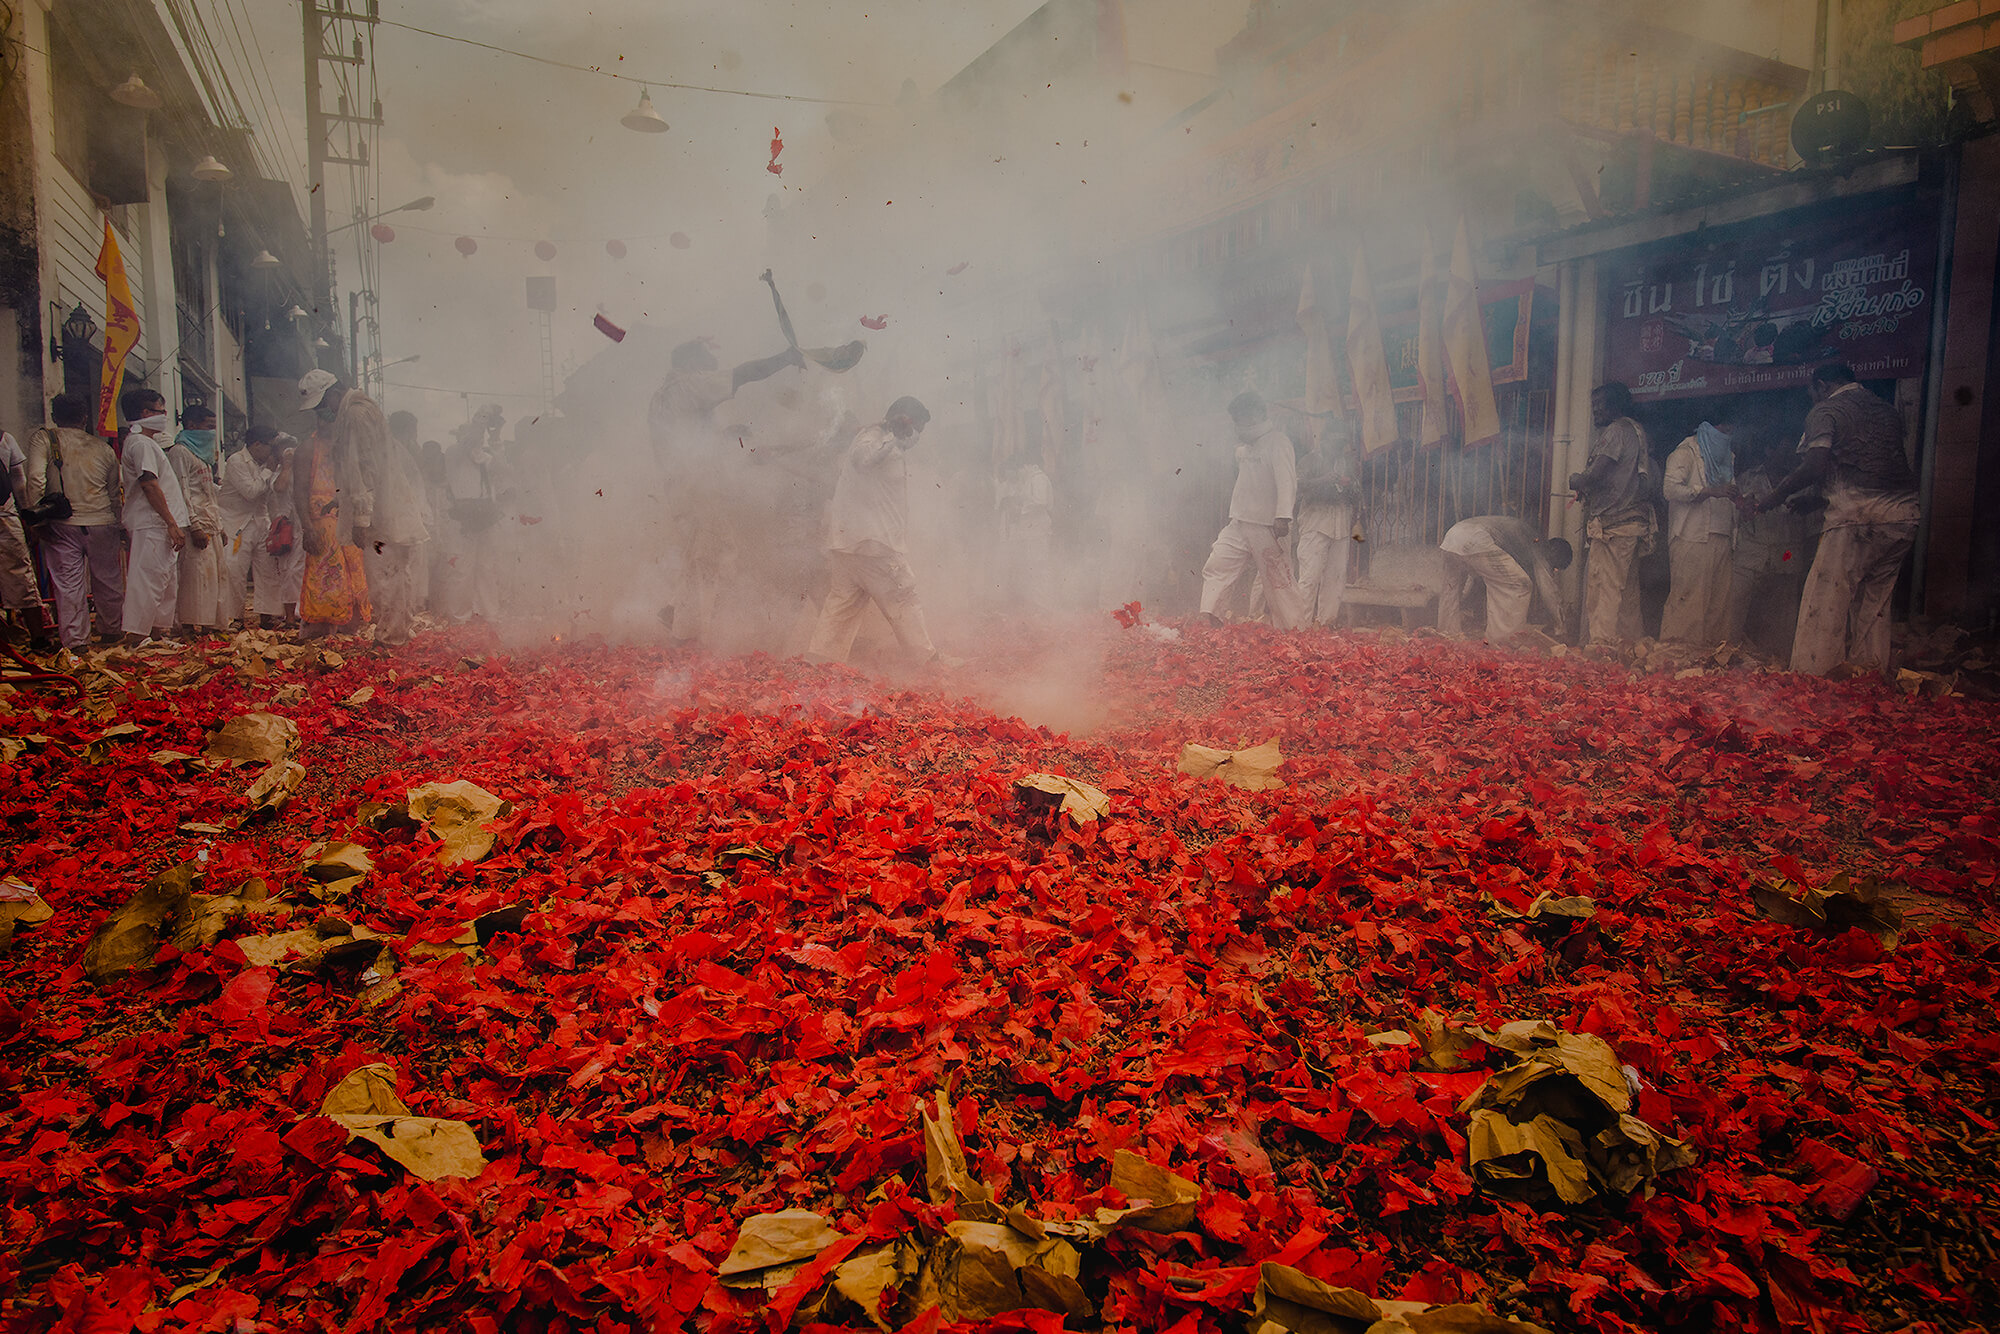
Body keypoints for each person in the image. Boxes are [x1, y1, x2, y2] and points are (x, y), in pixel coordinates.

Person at [1754, 363, 1919, 675]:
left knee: (1826, 597)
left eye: (1812, 392)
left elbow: (1816, 466)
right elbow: (1870, 468)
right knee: (1875, 605)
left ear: (1822, 384)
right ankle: (1869, 677)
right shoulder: (1887, 412)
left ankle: (1812, 680)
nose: (1812, 398)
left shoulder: (1827, 410)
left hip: (1854, 518)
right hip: (1903, 517)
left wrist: (1772, 498)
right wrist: (1816, 500)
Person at [649, 338, 804, 639]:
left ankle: (674, 610)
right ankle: (685, 630)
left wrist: (725, 435)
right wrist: (784, 358)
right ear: (691, 363)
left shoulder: (662, 396)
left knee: (701, 547)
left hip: (680, 484)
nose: (711, 365)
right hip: (696, 484)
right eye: (706, 360)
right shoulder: (689, 385)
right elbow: (744, 373)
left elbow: (688, 436)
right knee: (714, 548)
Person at [804, 396, 940, 665]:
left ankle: (820, 661)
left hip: (850, 542)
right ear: (903, 422)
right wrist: (891, 434)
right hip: (873, 543)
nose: (916, 437)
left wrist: (893, 434)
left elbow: (896, 448)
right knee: (903, 596)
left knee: (842, 604)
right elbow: (862, 460)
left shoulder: (885, 439)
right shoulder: (872, 438)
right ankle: (926, 661)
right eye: (916, 429)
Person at [22, 393, 122, 656]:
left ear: (54, 416)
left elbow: (34, 479)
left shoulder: (45, 438)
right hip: (102, 521)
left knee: (69, 585)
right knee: (109, 579)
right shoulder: (103, 448)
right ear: (84, 418)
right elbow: (114, 494)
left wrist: (37, 518)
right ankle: (112, 631)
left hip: (61, 524)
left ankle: (77, 643)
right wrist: (119, 523)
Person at [1196, 392, 1306, 629]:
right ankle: (1210, 618)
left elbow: (1287, 481)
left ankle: (1294, 631)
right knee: (1218, 564)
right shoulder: (1242, 449)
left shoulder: (1278, 442)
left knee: (1279, 581)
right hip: (1239, 521)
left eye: (1242, 417)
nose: (1238, 424)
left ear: (1257, 414)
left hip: (1269, 525)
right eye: (1235, 419)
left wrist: (1283, 517)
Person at [1569, 382, 1656, 646]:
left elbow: (1596, 474)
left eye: (1600, 406)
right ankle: (1632, 648)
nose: (1595, 411)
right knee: (1627, 594)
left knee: (1603, 590)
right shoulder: (1637, 430)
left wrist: (1577, 480)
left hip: (1613, 525)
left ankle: (1601, 650)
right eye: (1593, 406)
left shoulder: (1616, 430)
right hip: (1632, 525)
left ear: (1616, 405)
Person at [345, 396, 429, 648]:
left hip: (389, 527)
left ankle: (391, 635)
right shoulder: (396, 449)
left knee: (386, 578)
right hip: (402, 524)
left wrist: (362, 520)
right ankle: (398, 630)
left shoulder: (391, 450)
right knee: (399, 577)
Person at [292, 371, 371, 639]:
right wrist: (307, 528)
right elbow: (299, 492)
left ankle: (349, 633)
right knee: (325, 582)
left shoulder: (349, 445)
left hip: (346, 524)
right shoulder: (306, 448)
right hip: (322, 528)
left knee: (353, 578)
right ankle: (318, 634)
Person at [1727, 436, 1814, 656]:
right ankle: (1726, 656)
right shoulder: (1747, 478)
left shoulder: (1803, 482)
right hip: (1750, 555)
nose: (1788, 458)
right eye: (1783, 452)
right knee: (1734, 610)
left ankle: (1776, 663)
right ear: (1768, 449)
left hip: (1786, 556)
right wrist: (1744, 508)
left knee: (1782, 614)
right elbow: (1733, 515)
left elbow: (1814, 519)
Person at [1659, 408, 1739, 644]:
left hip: (1722, 537)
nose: (1726, 436)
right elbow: (1670, 489)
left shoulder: (1727, 458)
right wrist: (1708, 492)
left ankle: (1710, 660)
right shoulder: (1684, 453)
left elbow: (1730, 494)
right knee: (1689, 601)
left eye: (1730, 432)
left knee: (1718, 605)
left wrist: (1742, 503)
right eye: (1723, 430)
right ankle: (1679, 656)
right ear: (1707, 428)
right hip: (1691, 536)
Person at [117, 388, 187, 646]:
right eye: (161, 411)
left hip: (160, 522)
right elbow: (149, 484)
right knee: (148, 579)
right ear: (145, 414)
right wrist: (170, 523)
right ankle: (138, 636)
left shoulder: (147, 443)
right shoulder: (141, 443)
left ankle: (156, 634)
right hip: (153, 522)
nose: (165, 416)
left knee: (164, 580)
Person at [1437, 515, 1571, 641]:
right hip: (1476, 539)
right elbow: (1548, 588)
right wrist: (1560, 626)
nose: (1552, 569)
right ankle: (1503, 641)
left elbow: (1479, 574)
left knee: (1451, 588)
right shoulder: (1540, 546)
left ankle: (1447, 634)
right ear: (1554, 552)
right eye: (1555, 567)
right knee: (1519, 584)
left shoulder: (1522, 539)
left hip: (1452, 536)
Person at [168, 405, 225, 636]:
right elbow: (182, 492)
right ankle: (191, 626)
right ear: (191, 426)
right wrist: (195, 526)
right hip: (196, 525)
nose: (212, 432)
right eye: (208, 427)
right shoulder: (180, 452)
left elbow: (207, 492)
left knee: (214, 576)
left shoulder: (201, 457)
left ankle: (209, 624)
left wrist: (219, 525)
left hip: (210, 522)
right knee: (195, 576)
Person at [440, 414, 501, 624]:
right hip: (463, 519)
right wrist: (480, 425)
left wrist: (495, 433)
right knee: (462, 568)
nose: (477, 441)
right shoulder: (454, 454)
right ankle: (459, 617)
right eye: (474, 437)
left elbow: (500, 466)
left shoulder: (486, 457)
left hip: (485, 516)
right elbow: (469, 442)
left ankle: (489, 614)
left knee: (487, 566)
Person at [218, 427, 280, 632]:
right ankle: (234, 617)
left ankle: (268, 615)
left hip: (261, 522)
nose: (272, 452)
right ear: (257, 445)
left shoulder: (265, 465)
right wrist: (269, 471)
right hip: (236, 524)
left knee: (268, 570)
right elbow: (251, 492)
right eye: (269, 446)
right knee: (236, 571)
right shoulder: (236, 461)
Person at [1293, 436, 1359, 627]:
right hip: (1316, 522)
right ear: (1324, 440)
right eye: (1335, 443)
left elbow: (1355, 489)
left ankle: (1326, 624)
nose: (1338, 448)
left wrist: (1349, 486)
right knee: (1309, 577)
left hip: (1341, 523)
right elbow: (1297, 484)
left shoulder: (1345, 462)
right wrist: (1324, 480)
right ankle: (1300, 626)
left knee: (1336, 578)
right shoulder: (1310, 460)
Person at [0, 429, 54, 652]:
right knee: (22, 576)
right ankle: (38, 639)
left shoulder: (5, 438)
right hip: (6, 514)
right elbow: (19, 481)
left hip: (5, 513)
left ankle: (38, 639)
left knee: (22, 577)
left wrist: (28, 517)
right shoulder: (5, 438)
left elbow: (19, 481)